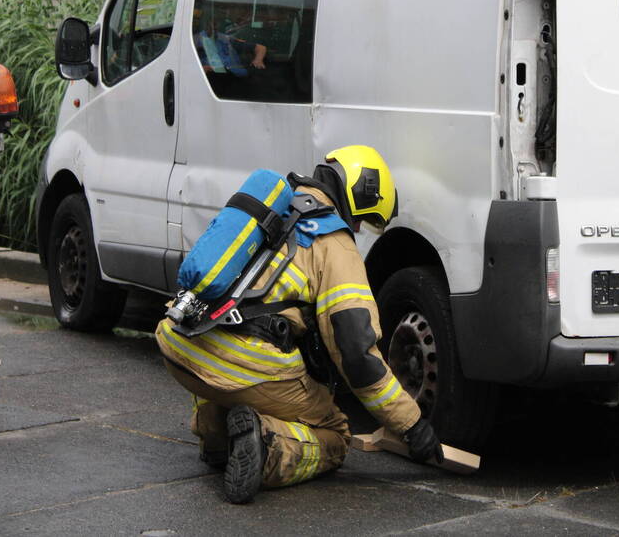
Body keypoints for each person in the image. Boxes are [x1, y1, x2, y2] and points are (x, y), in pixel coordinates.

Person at [155, 145, 443, 504]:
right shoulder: (334, 242)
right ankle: (266, 445)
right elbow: (356, 354)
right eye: (361, 220)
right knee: (334, 432)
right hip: (244, 365)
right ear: (360, 191)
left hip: (179, 342)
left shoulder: (275, 210)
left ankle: (216, 438)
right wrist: (412, 425)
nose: (356, 229)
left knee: (232, 354)